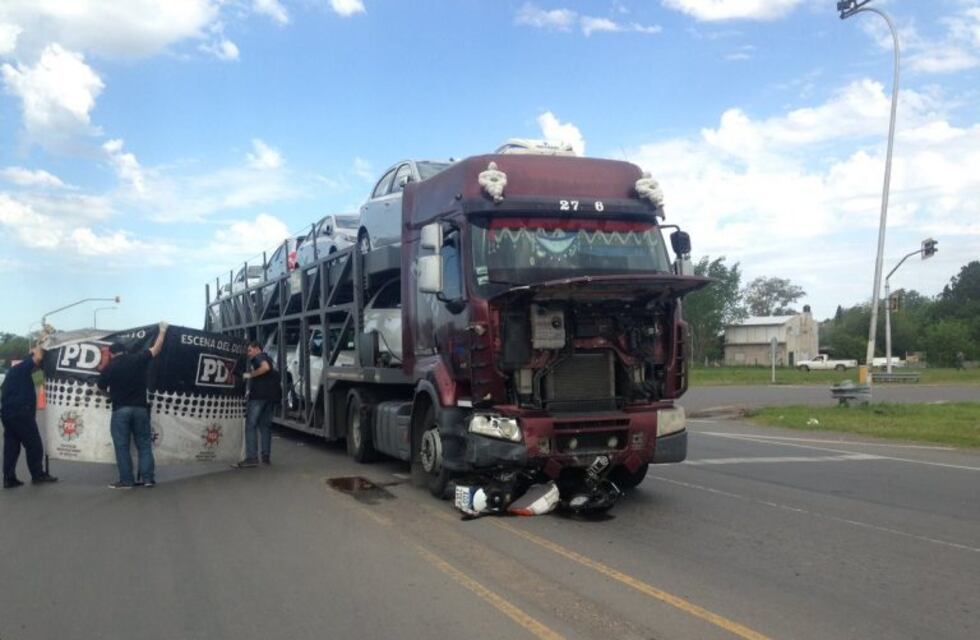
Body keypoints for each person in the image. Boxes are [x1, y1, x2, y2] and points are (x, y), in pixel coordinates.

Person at [97, 322, 168, 489]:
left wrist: (110, 395)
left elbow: (99, 388)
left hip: (120, 409)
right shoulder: (137, 359)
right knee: (144, 444)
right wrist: (163, 330)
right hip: (141, 409)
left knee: (122, 447)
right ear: (125, 351)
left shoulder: (110, 367)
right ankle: (148, 479)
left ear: (112, 354)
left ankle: (127, 481)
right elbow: (156, 349)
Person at [2, 344, 58, 488]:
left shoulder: (20, 370)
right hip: (21, 412)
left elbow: (39, 383)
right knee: (34, 445)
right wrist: (43, 343)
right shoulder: (25, 366)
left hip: (8, 413)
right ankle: (37, 474)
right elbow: (38, 356)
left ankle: (9, 478)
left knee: (12, 447)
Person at [233, 341, 281, 468]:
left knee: (251, 425)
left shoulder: (259, 357)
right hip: (271, 397)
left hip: (259, 396)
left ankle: (252, 458)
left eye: (250, 350)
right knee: (265, 427)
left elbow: (265, 368)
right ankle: (266, 457)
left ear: (257, 349)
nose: (249, 354)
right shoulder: (270, 359)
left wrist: (249, 375)